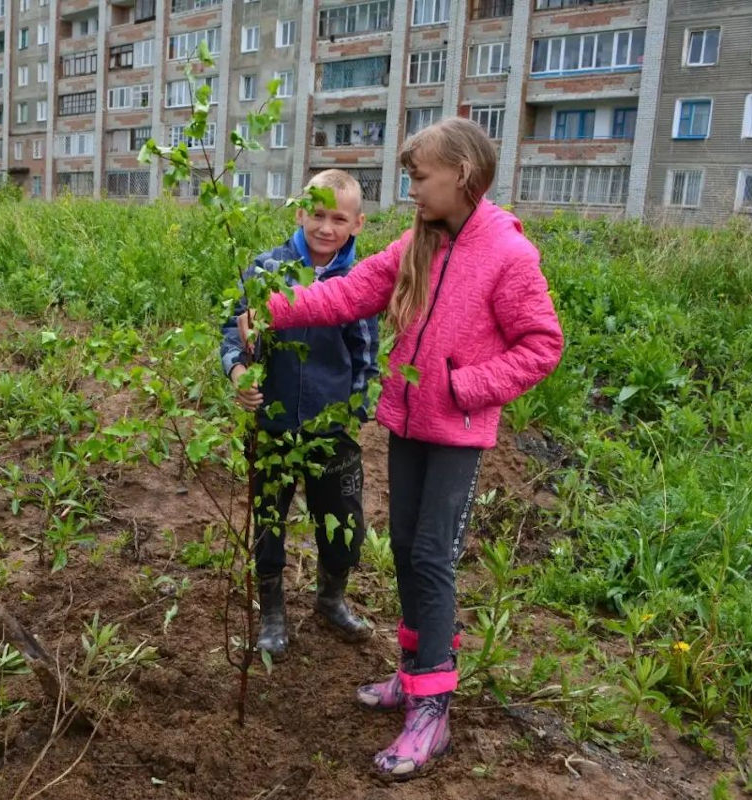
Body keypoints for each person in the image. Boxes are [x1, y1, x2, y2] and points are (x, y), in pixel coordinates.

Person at [238, 118, 563, 779]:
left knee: (432, 560)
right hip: (409, 426)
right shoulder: (422, 241)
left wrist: (462, 386)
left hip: (457, 431)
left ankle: (431, 710)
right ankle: (412, 673)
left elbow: (542, 344)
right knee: (410, 554)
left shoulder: (507, 253)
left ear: (461, 177)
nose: (410, 190)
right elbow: (352, 291)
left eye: (419, 178)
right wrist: (275, 306)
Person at [221, 169, 380, 661]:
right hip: (271, 423)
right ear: (299, 213)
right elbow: (235, 331)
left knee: (342, 521)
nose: (325, 227)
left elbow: (366, 353)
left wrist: (353, 409)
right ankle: (271, 612)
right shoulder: (267, 267)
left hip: (329, 428)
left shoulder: (361, 281)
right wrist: (239, 373)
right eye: (317, 214)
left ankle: (331, 599)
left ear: (357, 223)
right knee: (269, 517)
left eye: (338, 218)